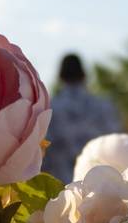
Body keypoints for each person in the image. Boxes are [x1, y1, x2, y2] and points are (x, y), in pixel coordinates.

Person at [42, 53, 121, 183]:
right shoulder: (104, 107)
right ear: (84, 76)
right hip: (100, 186)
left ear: (60, 77)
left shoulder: (49, 110)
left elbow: (43, 154)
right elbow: (116, 145)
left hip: (61, 189)